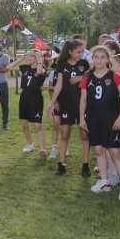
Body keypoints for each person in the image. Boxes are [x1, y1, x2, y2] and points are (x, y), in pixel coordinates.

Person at [81, 46, 120, 200]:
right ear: (92, 59)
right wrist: (82, 118)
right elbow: (83, 99)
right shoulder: (87, 77)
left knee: (115, 151)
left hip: (111, 119)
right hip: (93, 119)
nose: (99, 60)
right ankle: (104, 181)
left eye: (103, 57)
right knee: (98, 150)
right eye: (96, 57)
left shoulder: (115, 76)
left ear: (108, 59)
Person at [50, 40, 90, 177]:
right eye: (79, 52)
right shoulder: (61, 64)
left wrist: (80, 77)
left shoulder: (84, 64)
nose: (81, 54)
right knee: (65, 134)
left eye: (82, 52)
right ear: (70, 51)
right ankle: (61, 164)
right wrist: (52, 101)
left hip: (83, 104)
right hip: (66, 104)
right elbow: (59, 85)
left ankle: (85, 164)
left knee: (84, 135)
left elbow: (90, 79)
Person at [7, 50, 47, 157]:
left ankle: (43, 149)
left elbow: (39, 72)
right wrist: (21, 58)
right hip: (24, 97)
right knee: (24, 124)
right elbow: (9, 67)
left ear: (36, 57)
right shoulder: (25, 67)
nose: (28, 57)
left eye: (30, 56)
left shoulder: (42, 67)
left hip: (36, 98)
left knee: (37, 124)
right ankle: (30, 144)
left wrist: (39, 59)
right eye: (27, 55)